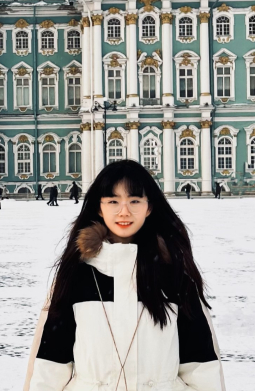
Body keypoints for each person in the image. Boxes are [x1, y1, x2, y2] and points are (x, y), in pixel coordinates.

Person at [23, 160, 225, 391]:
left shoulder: (174, 275)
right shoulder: (77, 274)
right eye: (113, 201)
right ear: (100, 207)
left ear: (149, 207)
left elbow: (201, 366)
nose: (124, 211)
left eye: (135, 201)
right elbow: (51, 365)